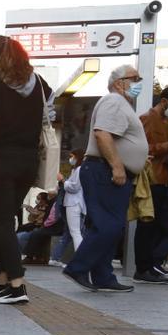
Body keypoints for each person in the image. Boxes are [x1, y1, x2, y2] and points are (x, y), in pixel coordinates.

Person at [0, 35, 51, 305]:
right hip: (27, 161)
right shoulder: (39, 83)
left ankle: (17, 286)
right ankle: (1, 281)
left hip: (0, 159)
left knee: (1, 223)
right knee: (7, 220)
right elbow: (48, 113)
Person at [62, 65, 147, 293]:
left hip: (105, 170)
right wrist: (117, 166)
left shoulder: (119, 103)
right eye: (135, 78)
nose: (139, 82)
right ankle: (78, 267)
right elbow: (102, 133)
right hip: (105, 171)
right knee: (109, 225)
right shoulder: (115, 101)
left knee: (107, 224)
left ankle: (102, 276)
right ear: (120, 82)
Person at [133, 86, 168, 284]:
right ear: (164, 101)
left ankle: (148, 267)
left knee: (155, 227)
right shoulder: (148, 118)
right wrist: (165, 147)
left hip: (160, 178)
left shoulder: (161, 121)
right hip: (152, 179)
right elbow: (141, 148)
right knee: (147, 226)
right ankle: (142, 268)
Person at [49, 149, 87, 268]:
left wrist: (62, 180)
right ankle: (80, 259)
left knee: (75, 232)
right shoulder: (76, 170)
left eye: (72, 157)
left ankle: (81, 259)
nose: (70, 159)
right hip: (74, 204)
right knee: (76, 232)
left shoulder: (80, 170)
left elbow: (74, 187)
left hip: (74, 204)